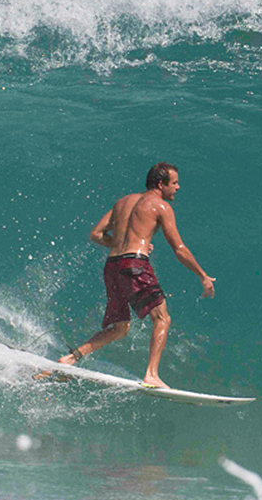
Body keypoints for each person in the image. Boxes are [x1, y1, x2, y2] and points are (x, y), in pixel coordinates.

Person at [57, 162, 214, 389]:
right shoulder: (160, 206)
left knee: (120, 328)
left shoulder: (123, 202)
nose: (178, 187)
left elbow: (96, 234)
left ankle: (71, 358)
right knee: (162, 319)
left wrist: (125, 243)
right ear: (160, 184)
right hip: (135, 264)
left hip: (112, 265)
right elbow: (179, 249)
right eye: (174, 183)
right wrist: (202, 275)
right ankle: (152, 375)